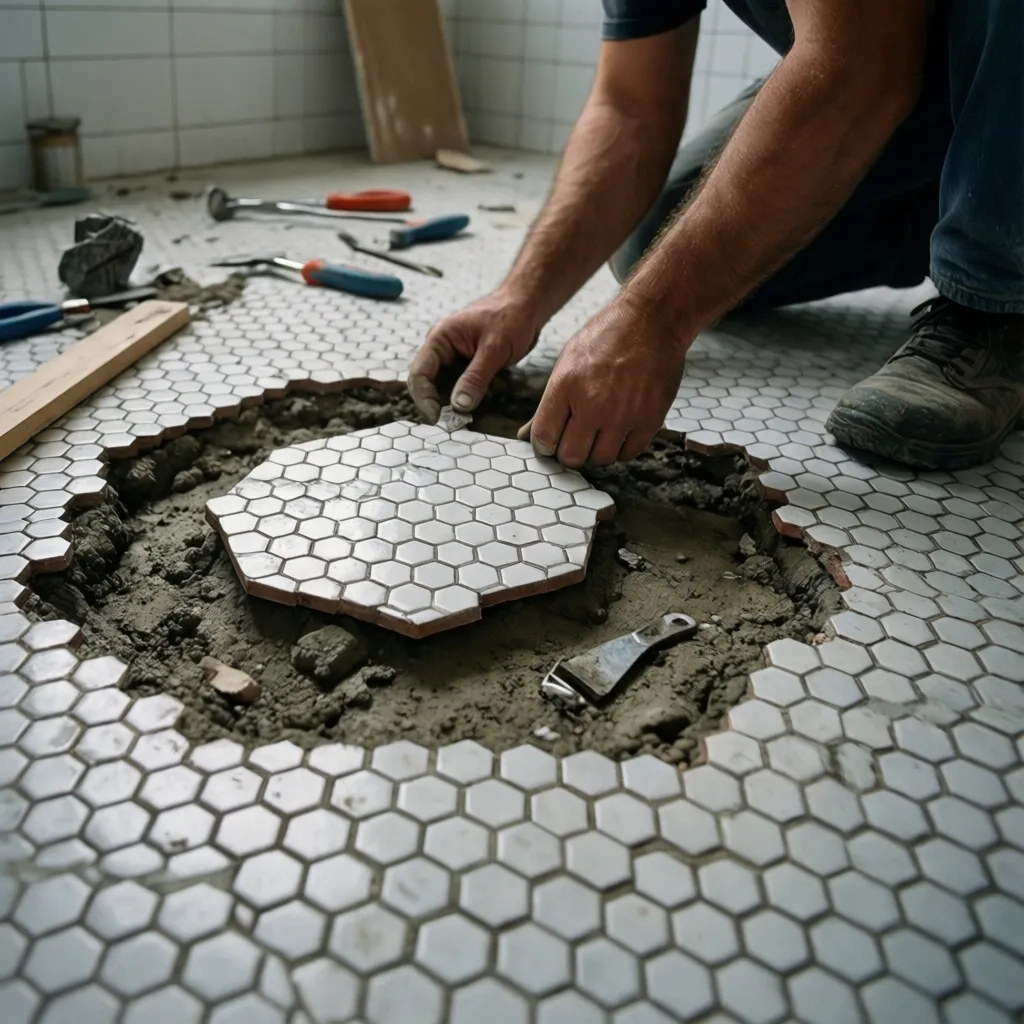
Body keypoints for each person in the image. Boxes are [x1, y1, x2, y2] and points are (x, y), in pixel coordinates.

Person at [407, 0, 1023, 472]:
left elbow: (863, 59)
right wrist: (522, 296)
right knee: (664, 238)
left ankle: (994, 306)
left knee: (671, 283)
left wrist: (650, 319)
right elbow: (629, 109)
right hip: (930, 85)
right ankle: (969, 204)